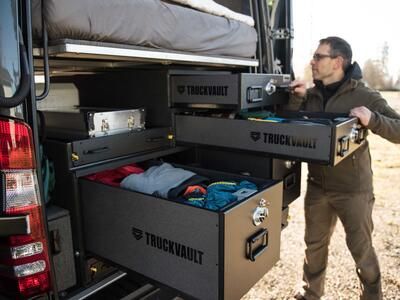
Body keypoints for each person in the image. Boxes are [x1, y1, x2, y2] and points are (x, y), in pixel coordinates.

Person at [287, 36, 400, 300]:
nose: (312, 61)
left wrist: (373, 119)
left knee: (361, 250)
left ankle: (372, 296)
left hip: (353, 191)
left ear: (337, 62)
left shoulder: (364, 94)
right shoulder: (312, 94)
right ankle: (310, 294)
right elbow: (289, 126)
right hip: (317, 188)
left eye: (318, 57)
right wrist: (296, 99)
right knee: (314, 246)